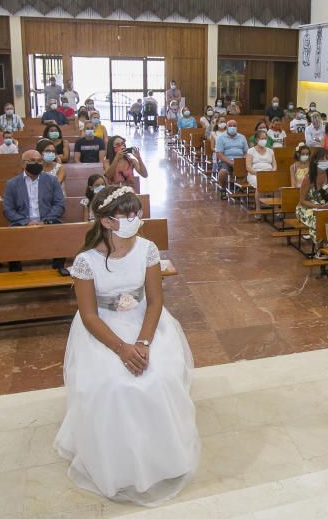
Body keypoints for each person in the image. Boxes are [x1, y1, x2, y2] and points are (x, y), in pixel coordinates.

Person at [56, 185, 199, 505]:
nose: (137, 218)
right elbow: (89, 315)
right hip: (104, 330)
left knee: (159, 377)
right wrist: (122, 349)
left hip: (144, 324)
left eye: (138, 212)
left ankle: (162, 456)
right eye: (128, 214)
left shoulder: (146, 249)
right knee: (113, 384)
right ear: (106, 222)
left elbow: (155, 301)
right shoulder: (86, 261)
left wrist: (143, 342)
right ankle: (119, 463)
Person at [3, 150, 68, 275]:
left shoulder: (52, 181)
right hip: (22, 224)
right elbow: (8, 209)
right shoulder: (12, 184)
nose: (36, 163)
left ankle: (58, 269)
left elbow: (59, 204)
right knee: (10, 236)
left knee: (61, 233)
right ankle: (16, 273)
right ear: (23, 164)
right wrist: (26, 222)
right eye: (32, 161)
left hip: (48, 221)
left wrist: (45, 221)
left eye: (39, 161)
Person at [295, 149, 328, 246]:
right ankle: (319, 248)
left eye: (327, 159)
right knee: (319, 219)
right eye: (322, 160)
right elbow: (302, 201)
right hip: (306, 208)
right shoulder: (308, 178)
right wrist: (319, 207)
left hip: (325, 206)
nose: (326, 162)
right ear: (315, 161)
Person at [214, 120, 248, 196]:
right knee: (223, 172)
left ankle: (240, 188)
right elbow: (219, 154)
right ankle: (223, 188)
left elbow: (246, 152)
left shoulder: (242, 137)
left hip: (240, 160)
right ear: (227, 127)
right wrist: (231, 163)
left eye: (234, 126)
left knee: (250, 169)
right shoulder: (221, 138)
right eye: (230, 126)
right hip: (226, 160)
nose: (232, 127)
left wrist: (243, 160)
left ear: (237, 127)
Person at [246, 128, 277, 209]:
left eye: (265, 138)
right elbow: (248, 167)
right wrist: (259, 174)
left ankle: (276, 208)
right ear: (256, 140)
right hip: (255, 174)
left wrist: (272, 172)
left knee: (277, 183)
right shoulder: (250, 151)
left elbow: (274, 165)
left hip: (269, 173)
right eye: (262, 138)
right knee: (260, 183)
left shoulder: (270, 151)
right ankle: (258, 207)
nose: (264, 140)